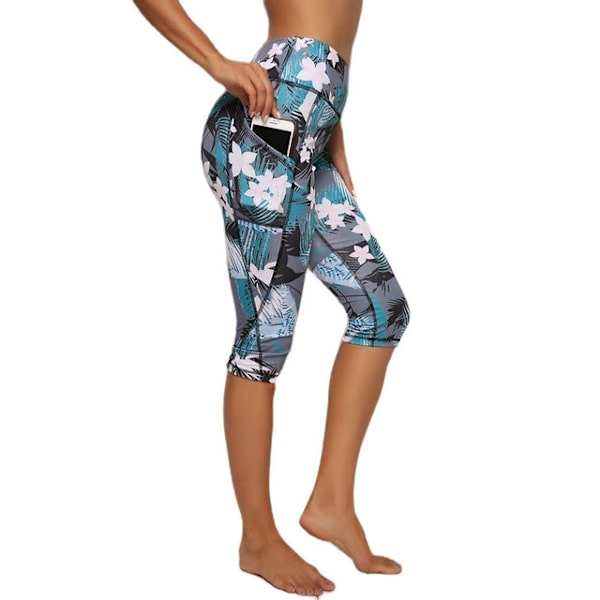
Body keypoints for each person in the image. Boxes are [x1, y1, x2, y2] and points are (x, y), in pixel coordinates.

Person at [132, 1, 411, 596]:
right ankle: (257, 539)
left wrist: (332, 139)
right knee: (263, 343)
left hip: (308, 134)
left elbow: (329, 38)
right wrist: (215, 62)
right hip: (263, 137)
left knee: (381, 309)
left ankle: (331, 503)